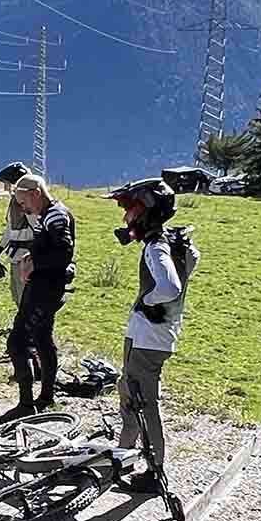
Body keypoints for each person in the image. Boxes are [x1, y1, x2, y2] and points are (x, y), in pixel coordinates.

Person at [107, 178, 199, 493]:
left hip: (148, 337)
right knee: (131, 394)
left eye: (129, 210)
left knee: (143, 402)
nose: (125, 218)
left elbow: (170, 287)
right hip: (159, 334)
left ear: (146, 211)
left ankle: (154, 471)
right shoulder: (176, 242)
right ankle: (125, 453)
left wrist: (147, 300)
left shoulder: (156, 245)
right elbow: (192, 264)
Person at [0, 173, 76, 422]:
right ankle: (46, 395)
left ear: (36, 194)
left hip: (45, 289)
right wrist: (28, 259)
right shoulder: (47, 214)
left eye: (24, 203)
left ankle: (26, 403)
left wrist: (34, 264)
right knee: (43, 337)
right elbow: (48, 249)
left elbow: (63, 253)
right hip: (45, 286)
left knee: (17, 342)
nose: (23, 208)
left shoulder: (56, 215)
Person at [0, 162, 36, 307]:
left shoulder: (30, 203)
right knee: (17, 295)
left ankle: (29, 327)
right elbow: (9, 230)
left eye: (7, 183)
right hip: (15, 256)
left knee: (27, 297)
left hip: (26, 258)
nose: (5, 188)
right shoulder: (14, 202)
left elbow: (38, 230)